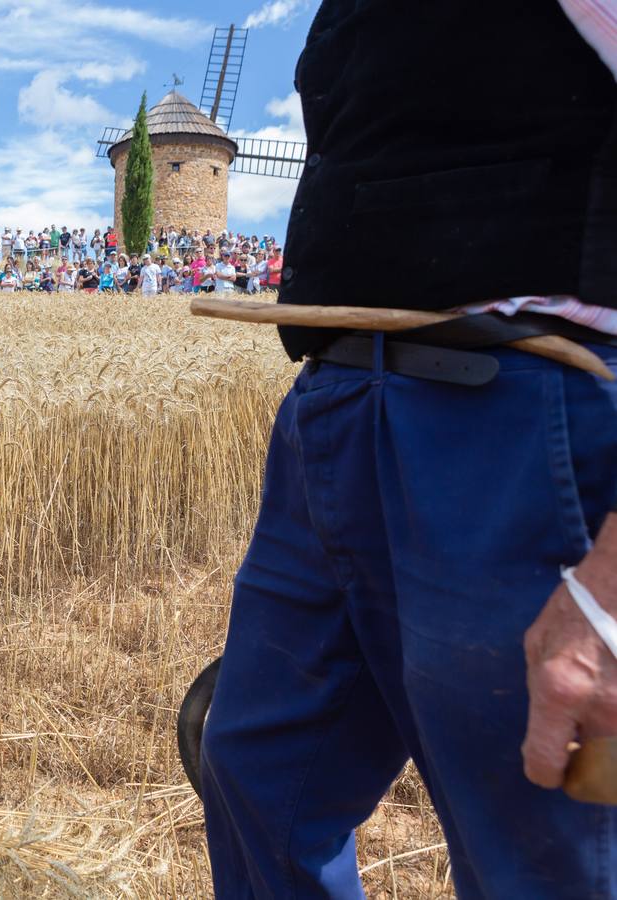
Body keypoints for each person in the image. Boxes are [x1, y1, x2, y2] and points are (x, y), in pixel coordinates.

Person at [198, 3, 617, 897]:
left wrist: (612, 592)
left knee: (541, 854)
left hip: (531, 412)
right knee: (256, 781)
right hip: (336, 400)